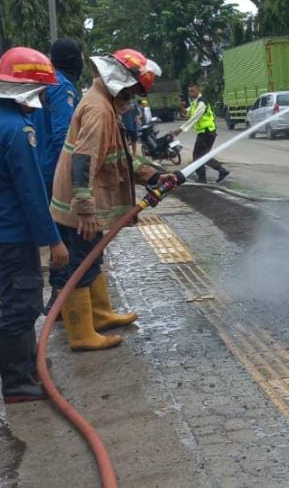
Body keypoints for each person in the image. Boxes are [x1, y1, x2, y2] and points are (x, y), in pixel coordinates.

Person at [49, 48, 182, 351]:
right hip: (79, 205)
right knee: (80, 264)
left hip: (81, 201)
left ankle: (101, 315)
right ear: (120, 83)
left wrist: (152, 176)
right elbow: (84, 160)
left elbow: (116, 159)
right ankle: (82, 335)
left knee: (92, 258)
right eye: (133, 91)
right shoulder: (99, 110)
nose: (133, 98)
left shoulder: (103, 103)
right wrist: (84, 209)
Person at [0, 47, 70, 404]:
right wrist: (54, 241)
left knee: (14, 298)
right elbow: (31, 193)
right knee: (22, 305)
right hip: (11, 232)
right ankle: (16, 384)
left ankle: (25, 366)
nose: (42, 98)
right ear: (27, 91)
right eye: (41, 91)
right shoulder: (18, 131)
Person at [30, 38, 83, 199]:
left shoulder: (46, 83)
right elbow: (63, 135)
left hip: (38, 165)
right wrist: (75, 177)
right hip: (54, 170)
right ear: (74, 61)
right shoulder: (62, 87)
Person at [172, 82, 229, 184]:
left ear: (198, 90)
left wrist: (180, 130)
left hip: (206, 132)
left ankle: (203, 178)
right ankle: (221, 171)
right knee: (203, 156)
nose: (191, 93)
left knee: (197, 157)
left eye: (193, 91)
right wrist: (182, 107)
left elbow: (194, 118)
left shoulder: (202, 103)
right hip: (207, 132)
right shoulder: (195, 102)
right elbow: (187, 113)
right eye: (189, 91)